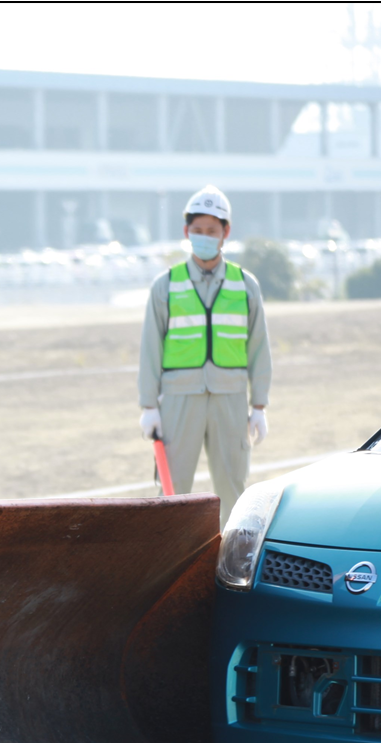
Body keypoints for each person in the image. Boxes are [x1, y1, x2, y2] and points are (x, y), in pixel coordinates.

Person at [137, 185, 272, 526]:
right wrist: (148, 406)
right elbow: (150, 347)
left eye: (212, 231)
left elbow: (258, 347)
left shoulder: (246, 285)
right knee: (173, 491)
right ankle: (172, 562)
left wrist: (259, 406)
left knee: (233, 487)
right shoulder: (166, 285)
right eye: (197, 231)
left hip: (230, 396)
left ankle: (230, 566)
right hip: (178, 399)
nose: (204, 237)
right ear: (186, 232)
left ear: (226, 233)